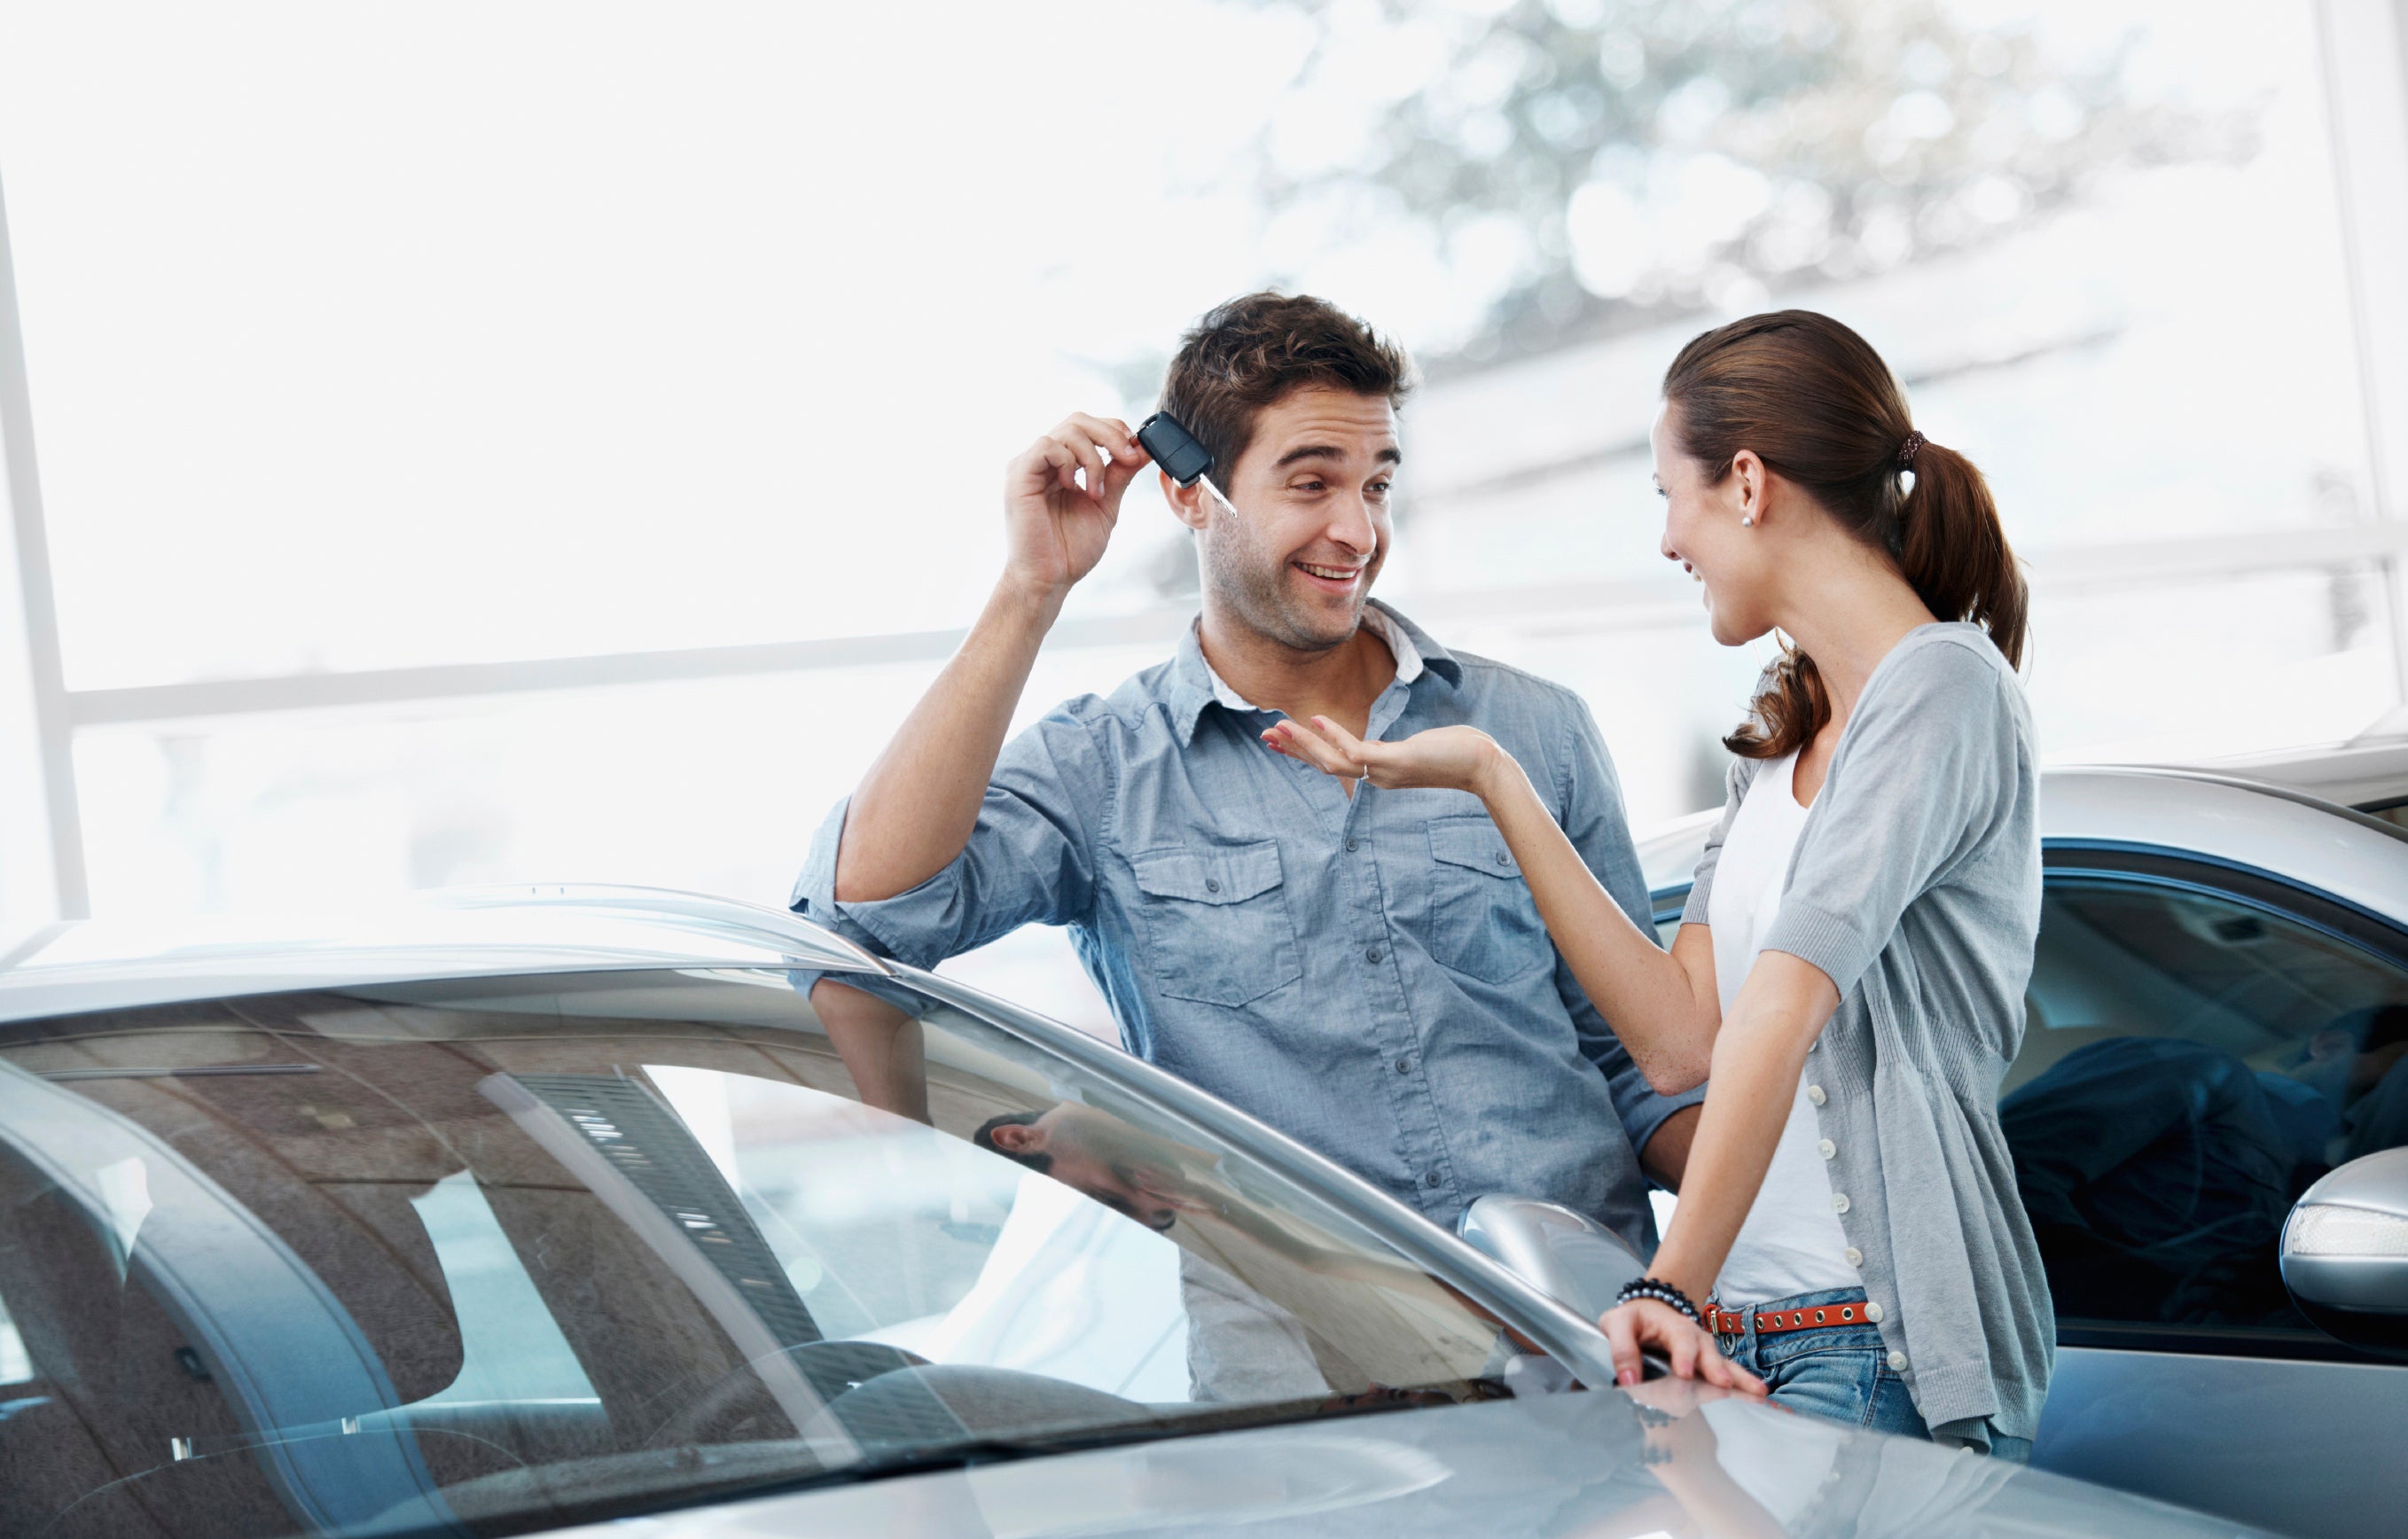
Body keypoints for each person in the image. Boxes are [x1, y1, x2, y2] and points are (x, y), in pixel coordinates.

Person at [1268, 309, 2050, 1453]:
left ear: (1745, 482)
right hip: (1743, 1344)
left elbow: (1783, 1005)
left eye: (1664, 495)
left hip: (1877, 1347)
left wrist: (1667, 1285)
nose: (1668, 541)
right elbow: (1683, 1042)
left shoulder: (1942, 687)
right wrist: (1495, 778)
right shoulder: (1785, 743)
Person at [791, 290, 1700, 1254]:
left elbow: (1641, 1072)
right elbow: (861, 912)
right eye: (1311, 485)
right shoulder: (1102, 771)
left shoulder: (1532, 729)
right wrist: (1031, 589)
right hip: (1311, 1371)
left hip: (1595, 1335)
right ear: (1190, 491)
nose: (1357, 531)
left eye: (1377, 486)